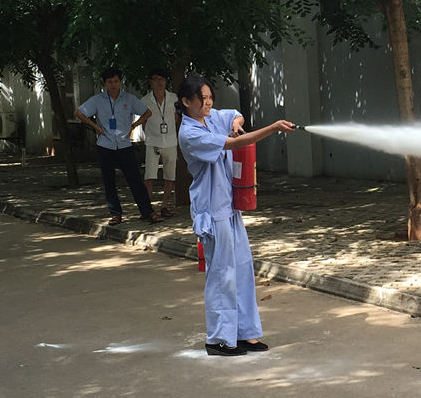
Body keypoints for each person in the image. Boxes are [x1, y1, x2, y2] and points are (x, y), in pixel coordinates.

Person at [176, 74, 295, 356]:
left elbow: (234, 115)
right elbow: (232, 145)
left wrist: (237, 123)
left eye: (210, 97)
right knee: (222, 275)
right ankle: (219, 339)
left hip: (230, 207)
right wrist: (273, 127)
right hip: (212, 211)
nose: (208, 103)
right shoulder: (190, 133)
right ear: (186, 102)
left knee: (242, 268)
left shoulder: (211, 117)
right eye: (202, 99)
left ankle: (244, 333)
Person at [74, 68, 163, 225]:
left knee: (135, 180)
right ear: (105, 83)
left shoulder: (129, 98)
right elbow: (79, 113)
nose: (113, 85)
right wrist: (96, 127)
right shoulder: (97, 100)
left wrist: (133, 125)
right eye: (110, 82)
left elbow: (147, 112)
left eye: (116, 81)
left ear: (120, 82)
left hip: (124, 144)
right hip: (105, 145)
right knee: (109, 181)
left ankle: (148, 212)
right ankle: (115, 214)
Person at [141, 69, 178, 217]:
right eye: (155, 79)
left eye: (161, 79)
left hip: (170, 140)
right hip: (153, 141)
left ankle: (164, 206)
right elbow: (143, 122)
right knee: (149, 175)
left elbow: (177, 118)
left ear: (166, 81)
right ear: (151, 81)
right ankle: (147, 208)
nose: (159, 82)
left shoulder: (174, 98)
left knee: (170, 175)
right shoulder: (145, 100)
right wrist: (149, 135)